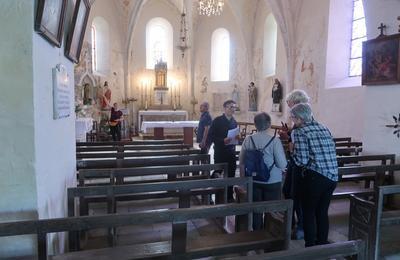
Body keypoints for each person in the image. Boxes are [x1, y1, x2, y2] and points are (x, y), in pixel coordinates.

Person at [290, 103, 338, 247]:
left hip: (315, 177)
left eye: (293, 118)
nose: (292, 121)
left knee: (309, 212)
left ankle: (311, 246)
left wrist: (291, 151)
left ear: (299, 118)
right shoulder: (324, 127)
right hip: (332, 176)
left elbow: (301, 161)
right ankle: (322, 243)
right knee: (322, 212)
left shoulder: (300, 131)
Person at [239, 112, 287, 230]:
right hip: (272, 181)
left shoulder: (248, 139)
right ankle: (269, 235)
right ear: (269, 124)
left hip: (253, 180)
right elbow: (282, 164)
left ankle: (257, 235)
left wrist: (243, 181)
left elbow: (241, 162)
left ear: (255, 125)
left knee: (256, 210)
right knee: (272, 211)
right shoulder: (274, 140)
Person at [280, 89, 310, 240]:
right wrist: (289, 133)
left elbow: (298, 149)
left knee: (297, 195)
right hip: (295, 163)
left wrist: (288, 137)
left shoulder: (302, 121)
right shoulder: (299, 121)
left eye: (289, 102)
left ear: (296, 102)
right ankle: (290, 222)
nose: (288, 105)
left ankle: (300, 227)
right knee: (288, 190)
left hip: (300, 165)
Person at [208, 100, 239, 201]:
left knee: (231, 174)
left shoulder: (234, 121)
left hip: (231, 152)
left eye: (234, 107)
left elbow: (234, 136)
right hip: (220, 152)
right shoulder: (217, 120)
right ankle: (210, 192)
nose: (233, 109)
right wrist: (222, 140)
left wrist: (237, 138)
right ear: (224, 108)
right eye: (230, 107)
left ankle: (229, 196)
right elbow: (211, 136)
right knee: (218, 172)